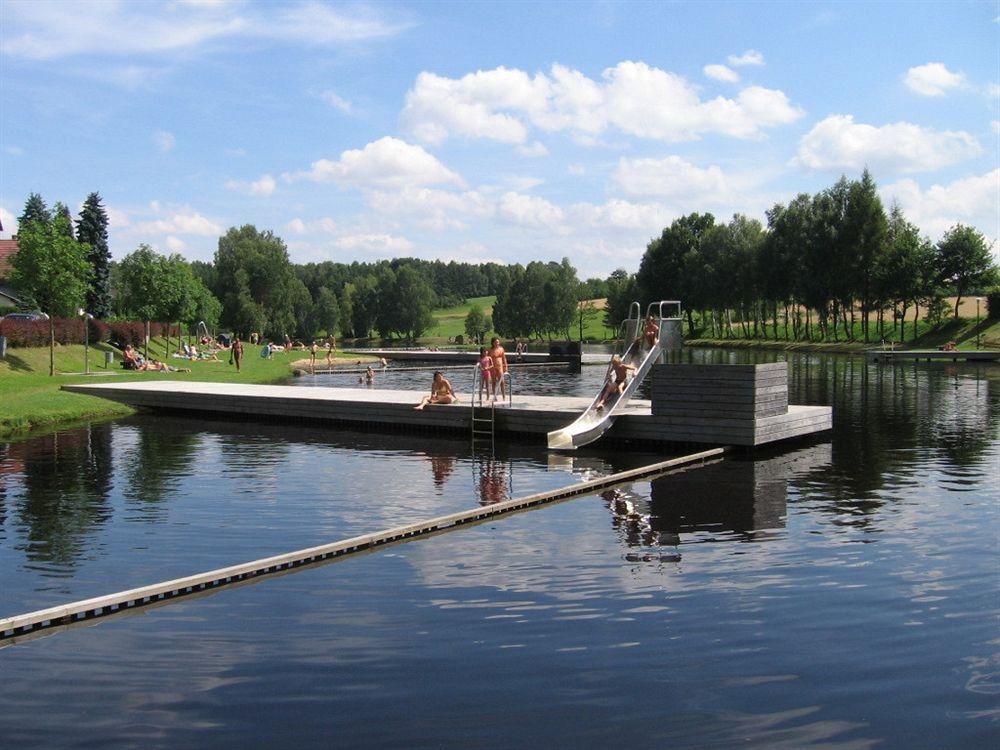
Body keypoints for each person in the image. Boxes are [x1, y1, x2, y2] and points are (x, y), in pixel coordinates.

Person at [488, 337, 509, 401]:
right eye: (496, 342)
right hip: (493, 367)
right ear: (493, 343)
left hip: (500, 367)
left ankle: (504, 397)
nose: (497, 343)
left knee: (502, 382)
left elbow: (504, 358)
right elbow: (488, 359)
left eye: (498, 342)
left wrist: (506, 366)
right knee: (494, 382)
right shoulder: (490, 350)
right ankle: (495, 396)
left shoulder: (501, 349)